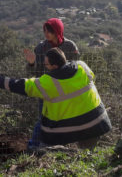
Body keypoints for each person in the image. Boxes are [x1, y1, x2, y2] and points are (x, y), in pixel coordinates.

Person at [0, 47, 111, 149]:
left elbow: (22, 85)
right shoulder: (82, 66)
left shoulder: (48, 82)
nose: (45, 66)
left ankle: (36, 153)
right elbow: (91, 78)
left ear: (54, 66)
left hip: (65, 130)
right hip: (97, 122)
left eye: (46, 64)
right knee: (87, 156)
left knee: (46, 148)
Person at [23, 18, 79, 149]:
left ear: (58, 31)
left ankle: (58, 146)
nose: (46, 33)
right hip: (46, 89)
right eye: (45, 30)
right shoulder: (41, 47)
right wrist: (31, 63)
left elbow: (75, 67)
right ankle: (35, 146)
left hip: (65, 91)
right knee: (43, 119)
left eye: (50, 31)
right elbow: (32, 72)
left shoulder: (70, 47)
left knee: (63, 118)